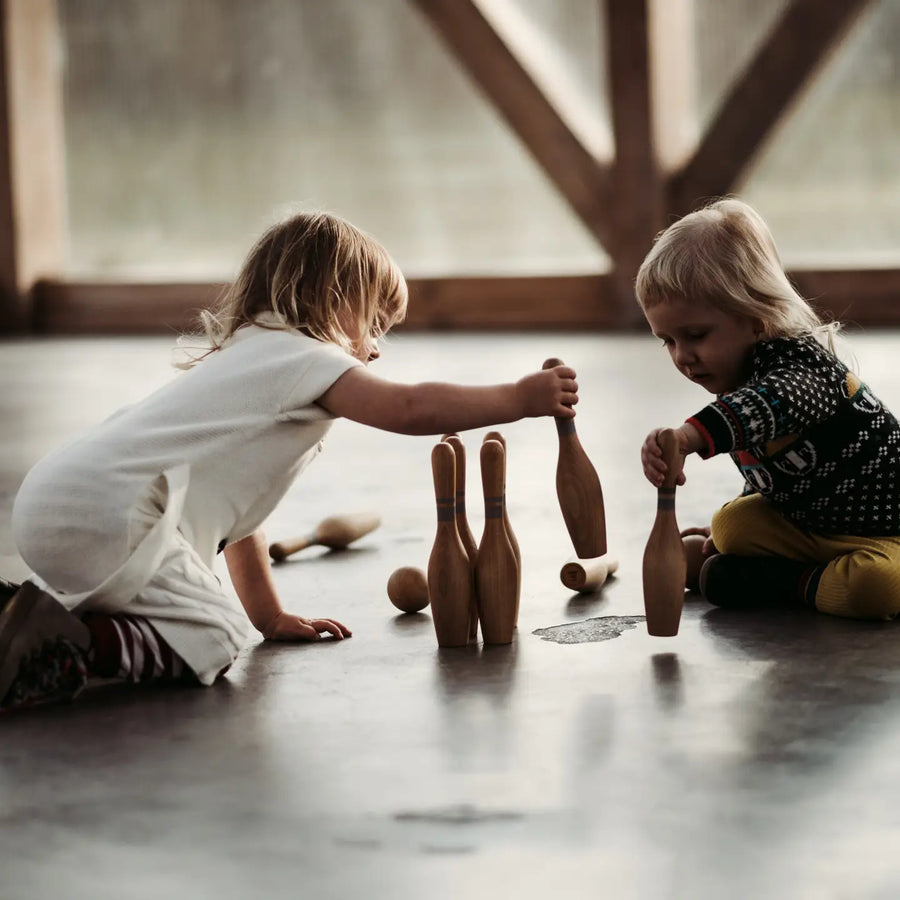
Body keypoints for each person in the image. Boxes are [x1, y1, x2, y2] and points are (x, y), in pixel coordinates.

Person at [0, 211, 579, 712]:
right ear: (331, 300)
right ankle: (69, 644)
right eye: (373, 323)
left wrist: (270, 616)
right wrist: (516, 399)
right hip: (115, 510)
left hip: (56, 496)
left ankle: (24, 617)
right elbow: (408, 407)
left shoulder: (247, 357)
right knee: (212, 634)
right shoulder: (304, 357)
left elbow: (240, 521)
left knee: (180, 609)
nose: (375, 347)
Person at [637, 197, 900, 620]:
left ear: (756, 317)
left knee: (876, 588)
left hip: (884, 533)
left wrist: (689, 437)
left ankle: (782, 582)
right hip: (809, 524)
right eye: (667, 340)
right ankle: (769, 565)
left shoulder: (800, 369)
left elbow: (768, 407)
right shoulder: (735, 377)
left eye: (696, 335)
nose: (682, 356)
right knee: (732, 525)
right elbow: (776, 471)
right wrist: (725, 532)